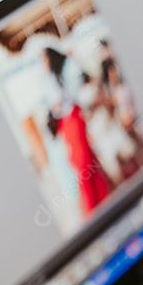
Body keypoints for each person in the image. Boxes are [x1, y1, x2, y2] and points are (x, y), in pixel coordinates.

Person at [41, 46, 112, 214]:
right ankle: (99, 195)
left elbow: (64, 98)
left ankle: (92, 202)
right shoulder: (55, 76)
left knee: (82, 161)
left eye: (44, 59)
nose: (43, 63)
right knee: (83, 159)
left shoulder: (64, 72)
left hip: (72, 117)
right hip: (68, 120)